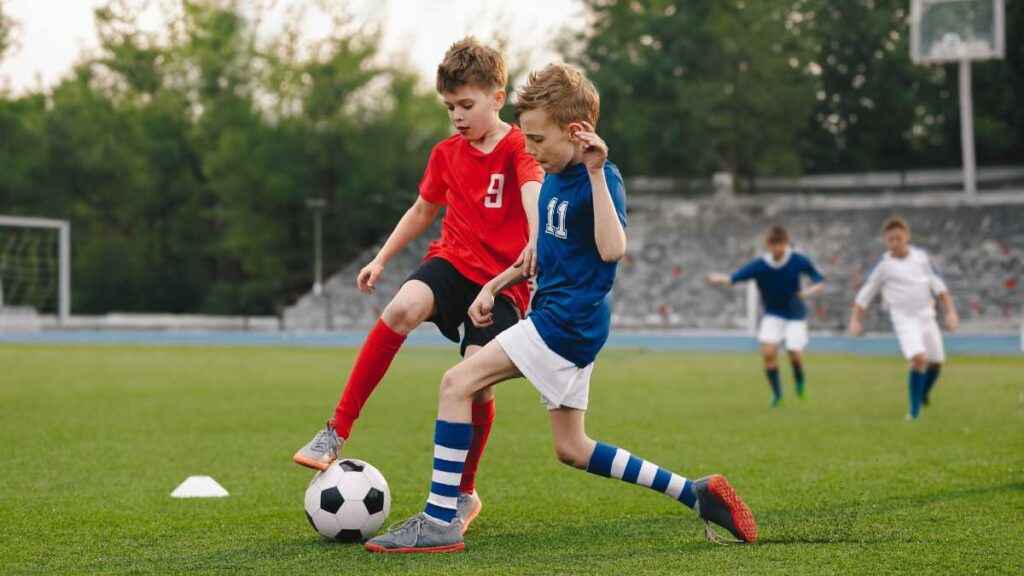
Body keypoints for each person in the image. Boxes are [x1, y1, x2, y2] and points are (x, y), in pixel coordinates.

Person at [364, 63, 757, 554]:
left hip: (565, 324)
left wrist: (594, 173)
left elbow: (613, 249)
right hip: (563, 321)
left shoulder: (599, 178)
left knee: (456, 383)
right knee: (573, 448)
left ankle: (440, 519)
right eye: (525, 138)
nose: (529, 151)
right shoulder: (551, 172)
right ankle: (695, 493)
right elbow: (540, 256)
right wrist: (495, 285)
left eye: (538, 140)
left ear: (576, 133)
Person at [293, 37, 544, 534]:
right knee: (401, 308)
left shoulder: (519, 146)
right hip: (452, 263)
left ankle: (464, 494)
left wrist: (536, 243)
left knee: (475, 381)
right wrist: (382, 258)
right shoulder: (446, 153)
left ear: (498, 97)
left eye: (466, 105)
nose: (457, 116)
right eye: (449, 106)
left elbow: (532, 188)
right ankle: (336, 429)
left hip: (502, 282)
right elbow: (423, 210)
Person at [849, 217, 958, 420]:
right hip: (904, 319)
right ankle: (914, 412)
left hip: (926, 316)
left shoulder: (922, 258)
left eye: (898, 238)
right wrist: (855, 319)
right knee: (918, 359)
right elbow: (865, 294)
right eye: (890, 239)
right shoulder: (884, 266)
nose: (895, 243)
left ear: (906, 237)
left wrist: (950, 312)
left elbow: (940, 287)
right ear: (885, 241)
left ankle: (923, 392)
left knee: (936, 363)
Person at [707, 226, 825, 405]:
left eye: (781, 245)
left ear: (786, 244)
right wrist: (719, 279)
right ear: (768, 245)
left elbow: (819, 280)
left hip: (795, 315)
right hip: (773, 314)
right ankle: (777, 395)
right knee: (768, 354)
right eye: (773, 245)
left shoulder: (798, 260)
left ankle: (799, 383)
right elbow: (735, 278)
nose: (777, 249)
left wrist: (807, 292)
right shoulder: (761, 265)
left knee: (794, 353)